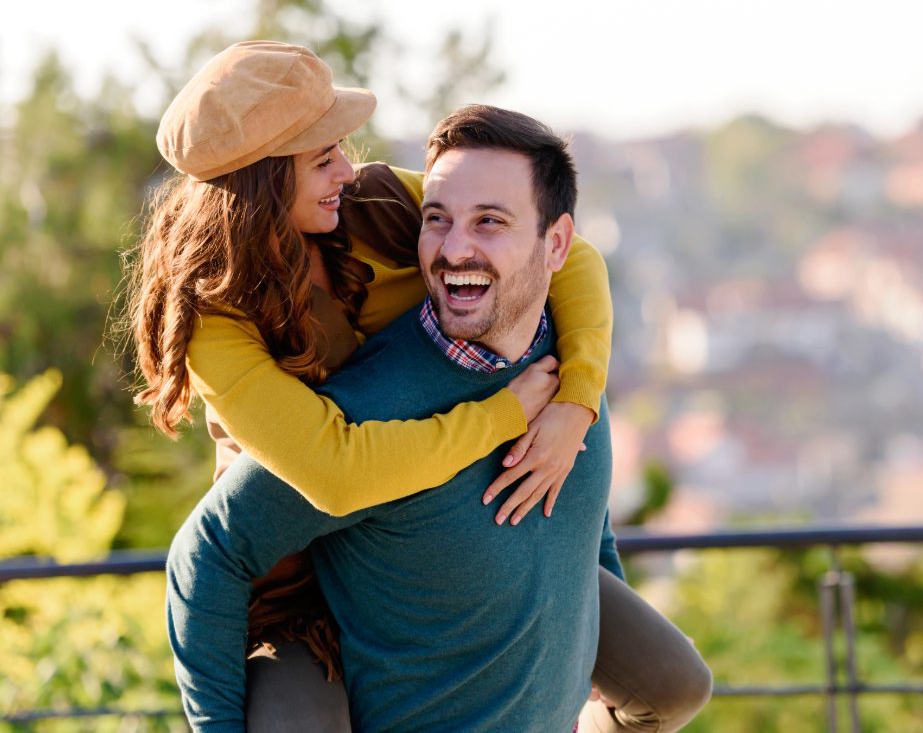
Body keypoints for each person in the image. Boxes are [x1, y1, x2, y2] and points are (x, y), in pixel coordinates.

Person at [132, 42, 711, 731]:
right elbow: (331, 474)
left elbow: (565, 253)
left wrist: (576, 402)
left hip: (439, 514)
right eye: (323, 158)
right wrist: (501, 417)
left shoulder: (371, 202)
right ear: (262, 179)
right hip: (293, 571)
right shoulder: (214, 317)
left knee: (672, 683)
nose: (346, 168)